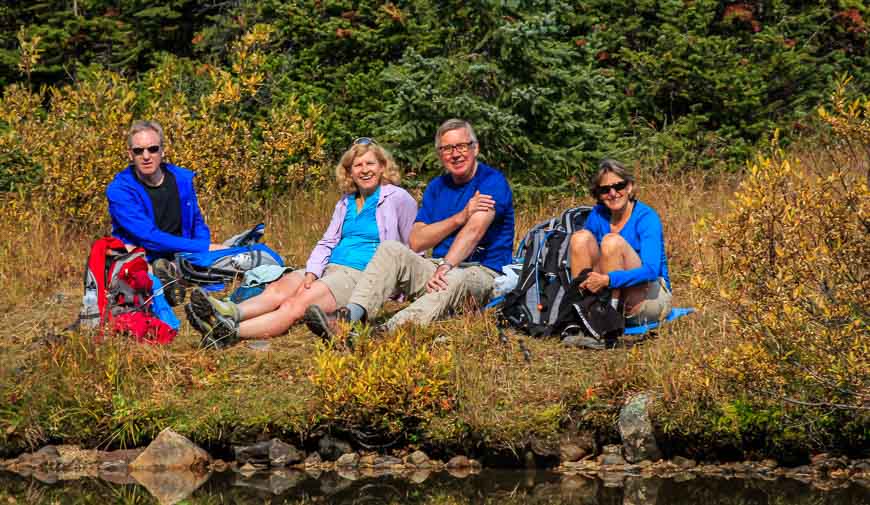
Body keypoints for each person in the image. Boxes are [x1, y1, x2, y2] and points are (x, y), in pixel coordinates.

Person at [185, 139, 418, 348]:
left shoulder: (396, 197)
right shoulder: (346, 202)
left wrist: (401, 287)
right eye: (358, 165)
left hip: (359, 274)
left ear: (382, 166)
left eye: (370, 164)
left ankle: (228, 333)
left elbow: (412, 243)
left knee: (295, 305)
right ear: (350, 171)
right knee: (279, 288)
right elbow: (327, 241)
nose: (365, 170)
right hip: (330, 267)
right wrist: (312, 272)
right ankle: (226, 311)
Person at [304, 119, 515, 337]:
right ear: (440, 153)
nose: (455, 154)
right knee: (390, 249)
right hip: (438, 267)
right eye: (447, 148)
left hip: (482, 271)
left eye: (461, 146)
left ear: (475, 147)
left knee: (454, 279)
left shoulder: (492, 182)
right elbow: (417, 240)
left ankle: (385, 334)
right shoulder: (437, 187)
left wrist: (447, 266)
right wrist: (460, 217)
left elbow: (475, 231)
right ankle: (348, 318)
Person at [567, 159, 671, 338]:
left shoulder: (647, 217)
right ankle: (583, 313)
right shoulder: (598, 214)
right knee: (580, 238)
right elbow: (587, 253)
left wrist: (608, 280)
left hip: (648, 296)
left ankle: (609, 323)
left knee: (611, 242)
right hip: (612, 290)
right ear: (599, 194)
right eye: (605, 189)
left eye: (619, 186)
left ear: (629, 187)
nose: (613, 193)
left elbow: (652, 270)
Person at [106, 120, 223, 262]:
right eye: (138, 151)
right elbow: (149, 238)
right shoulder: (120, 191)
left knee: (239, 254)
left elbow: (197, 223)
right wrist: (201, 248)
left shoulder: (182, 180)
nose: (146, 156)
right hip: (143, 260)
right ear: (130, 155)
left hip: (185, 255)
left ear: (162, 151)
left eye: (153, 149)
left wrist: (204, 252)